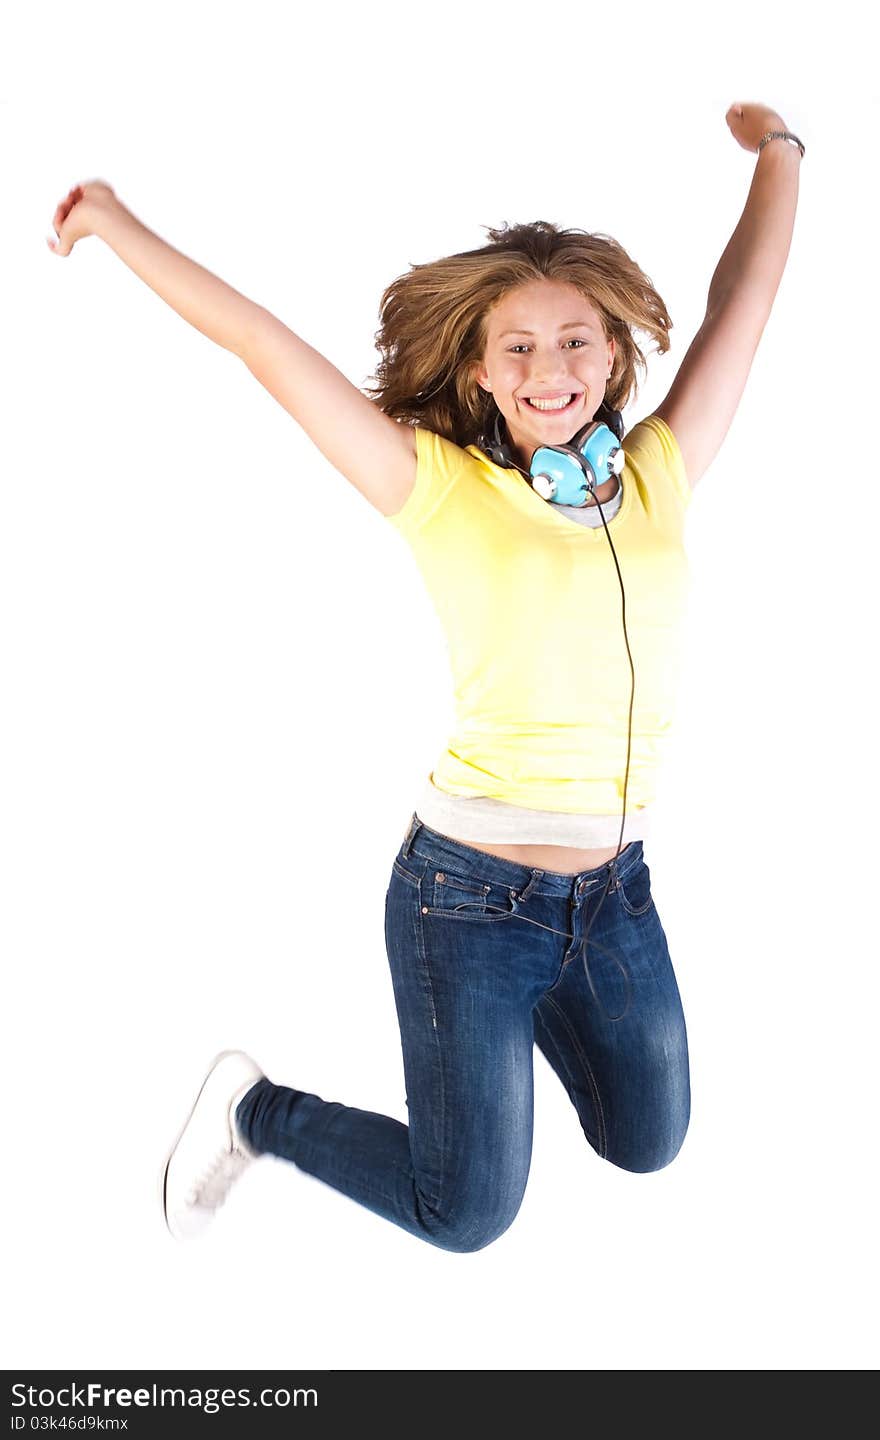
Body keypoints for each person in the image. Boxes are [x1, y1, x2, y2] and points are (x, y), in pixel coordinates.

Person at [48, 102, 803, 1253]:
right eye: (518, 347)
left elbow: (742, 304)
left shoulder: (660, 470)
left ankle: (526, 1018)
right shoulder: (442, 489)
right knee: (467, 1214)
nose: (551, 368)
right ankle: (258, 1113)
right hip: (468, 899)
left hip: (614, 896)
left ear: (613, 353)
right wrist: (111, 219)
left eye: (576, 340)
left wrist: (781, 153)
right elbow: (261, 342)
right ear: (481, 372)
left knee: (645, 1142)